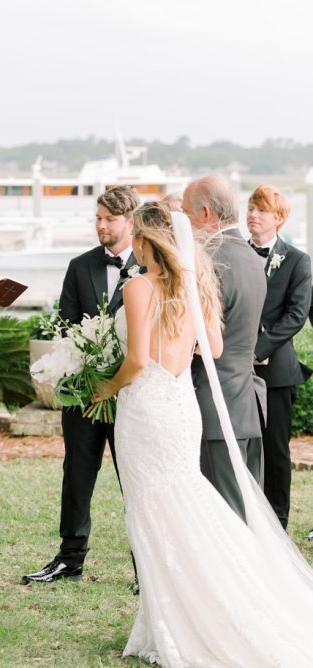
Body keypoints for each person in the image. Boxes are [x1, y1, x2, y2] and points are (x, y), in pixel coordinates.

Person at [92, 202, 313, 666]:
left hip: (147, 407)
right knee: (181, 503)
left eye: (136, 237)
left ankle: (179, 622)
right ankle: (177, 616)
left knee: (152, 513)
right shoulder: (195, 284)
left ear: (144, 241)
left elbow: (136, 361)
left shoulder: (138, 286)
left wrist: (104, 387)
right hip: (181, 405)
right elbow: (212, 347)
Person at [23, 185, 140, 585]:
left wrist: (116, 378)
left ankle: (145, 566)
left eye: (109, 219)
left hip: (131, 394)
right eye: (98, 218)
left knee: (135, 480)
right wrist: (87, 373)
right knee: (76, 475)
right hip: (84, 393)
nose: (101, 225)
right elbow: (68, 327)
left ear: (131, 222)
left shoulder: (148, 266)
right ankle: (69, 558)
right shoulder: (79, 266)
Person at [182, 174, 267, 521]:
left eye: (186, 214)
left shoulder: (208, 261)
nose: (184, 224)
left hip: (214, 405)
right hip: (247, 404)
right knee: (247, 516)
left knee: (224, 520)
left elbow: (196, 337)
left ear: (205, 213)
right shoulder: (252, 257)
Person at [247, 185, 312, 529]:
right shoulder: (234, 254)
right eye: (250, 208)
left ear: (279, 218)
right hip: (234, 371)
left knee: (275, 450)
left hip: (276, 373)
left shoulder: (298, 261)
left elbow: (296, 315)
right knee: (241, 447)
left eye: (261, 210)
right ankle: (245, 518)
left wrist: (257, 350)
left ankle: (277, 524)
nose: (252, 215)